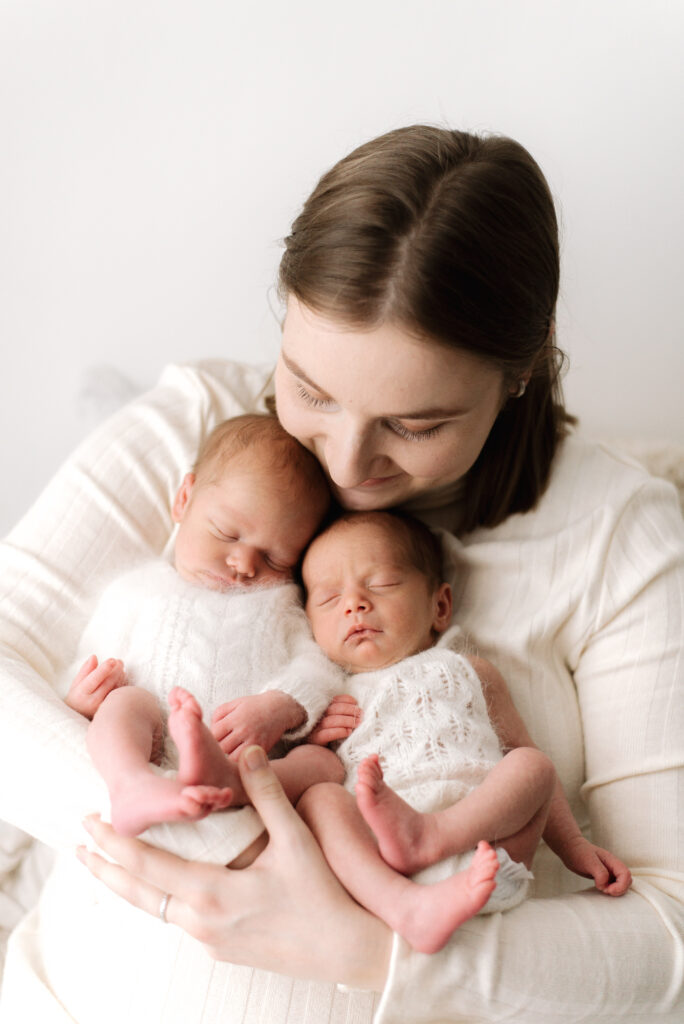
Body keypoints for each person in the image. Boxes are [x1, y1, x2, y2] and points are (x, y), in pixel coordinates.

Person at [0, 124, 682, 1023]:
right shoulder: (191, 432)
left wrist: (368, 948)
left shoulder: (619, 538)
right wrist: (233, 848)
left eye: (416, 423)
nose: (348, 464)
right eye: (311, 391)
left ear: (522, 366)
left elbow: (670, 937)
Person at [296, 510, 631, 955]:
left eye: (381, 584)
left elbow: (524, 755)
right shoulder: (330, 698)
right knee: (318, 799)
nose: (354, 603)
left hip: (488, 857)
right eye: (329, 597)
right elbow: (312, 771)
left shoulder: (470, 669)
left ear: (439, 606)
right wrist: (316, 740)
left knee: (532, 765)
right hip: (379, 864)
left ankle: (431, 836)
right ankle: (405, 903)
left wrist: (573, 845)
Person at [63, 412, 346, 838]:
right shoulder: (139, 590)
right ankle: (133, 785)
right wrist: (82, 697)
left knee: (325, 765)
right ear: (184, 499)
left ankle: (238, 790)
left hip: (250, 763)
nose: (244, 565)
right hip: (154, 740)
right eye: (227, 533)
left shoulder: (281, 605)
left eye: (275, 559)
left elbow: (320, 667)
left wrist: (280, 706)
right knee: (125, 706)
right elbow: (90, 660)